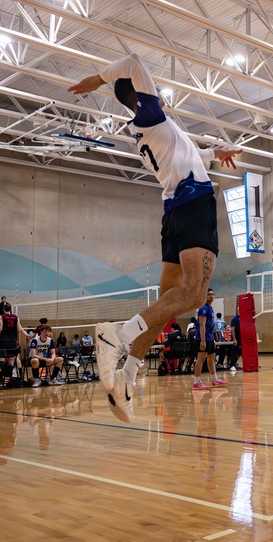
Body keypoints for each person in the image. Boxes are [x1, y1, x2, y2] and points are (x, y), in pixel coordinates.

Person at [70, 54, 241, 422]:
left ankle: (127, 380)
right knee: (195, 295)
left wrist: (214, 152)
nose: (158, 91)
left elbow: (189, 152)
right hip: (194, 203)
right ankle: (116, 335)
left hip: (173, 212)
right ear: (140, 95)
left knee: (167, 306)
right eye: (152, 88)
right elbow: (132, 62)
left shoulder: (150, 128)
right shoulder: (150, 114)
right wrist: (98, 79)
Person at [192, 289, 228, 390]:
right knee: (201, 359)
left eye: (212, 294)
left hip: (210, 338)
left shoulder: (210, 308)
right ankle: (196, 382)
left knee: (211, 358)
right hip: (203, 338)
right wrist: (203, 341)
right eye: (208, 294)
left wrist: (212, 339)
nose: (211, 296)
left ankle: (215, 380)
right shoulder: (203, 308)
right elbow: (202, 324)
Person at [0, 303, 26, 386]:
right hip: (12, 340)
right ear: (10, 309)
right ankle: (10, 377)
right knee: (12, 359)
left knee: (2, 359)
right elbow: (19, 330)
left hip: (3, 340)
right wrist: (18, 340)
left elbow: (0, 328)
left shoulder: (1, 317)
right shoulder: (16, 317)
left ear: (3, 309)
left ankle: (2, 376)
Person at [228, 307, 241, 373]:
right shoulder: (235, 319)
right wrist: (234, 339)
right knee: (234, 351)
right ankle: (232, 365)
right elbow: (232, 329)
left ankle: (234, 362)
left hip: (242, 337)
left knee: (241, 351)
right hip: (237, 336)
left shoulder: (243, 318)